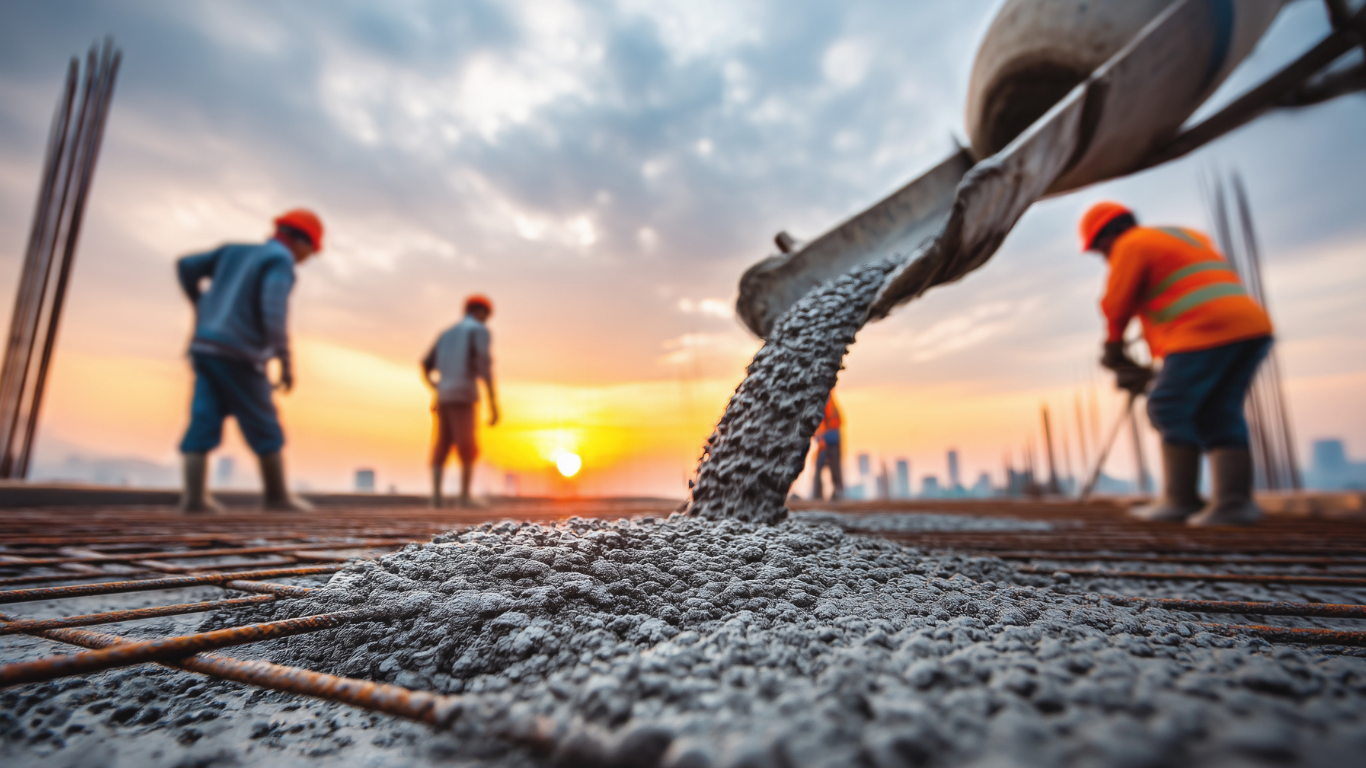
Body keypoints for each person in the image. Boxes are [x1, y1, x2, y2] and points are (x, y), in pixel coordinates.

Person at [1081, 202, 1274, 526]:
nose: (1103, 258)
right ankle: (1234, 503)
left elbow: (1116, 302)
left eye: (1100, 251)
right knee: (1219, 411)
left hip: (1204, 330)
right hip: (1251, 328)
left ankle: (1179, 500)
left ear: (1106, 237)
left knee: (1167, 406)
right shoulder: (1182, 236)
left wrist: (1113, 347)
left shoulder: (1130, 244)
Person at [175, 209, 322, 514]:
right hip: (240, 353)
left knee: (204, 417)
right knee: (265, 423)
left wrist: (200, 304)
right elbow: (273, 313)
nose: (308, 257)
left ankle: (193, 499)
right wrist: (285, 360)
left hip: (205, 348)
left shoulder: (233, 251)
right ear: (300, 242)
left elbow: (186, 266)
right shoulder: (279, 261)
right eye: (311, 250)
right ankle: (277, 497)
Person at [423, 295, 500, 508]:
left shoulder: (446, 334)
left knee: (442, 443)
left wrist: (437, 386)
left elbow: (425, 364)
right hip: (464, 394)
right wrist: (493, 402)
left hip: (444, 396)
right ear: (480, 312)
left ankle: (436, 498)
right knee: (467, 444)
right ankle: (465, 497)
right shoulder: (478, 330)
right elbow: (484, 365)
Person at [811, 393, 844, 500]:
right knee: (822, 468)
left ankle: (835, 493)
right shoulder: (824, 402)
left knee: (833, 468)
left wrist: (821, 438)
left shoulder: (828, 403)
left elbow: (835, 421)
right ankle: (818, 496)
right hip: (826, 441)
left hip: (830, 441)